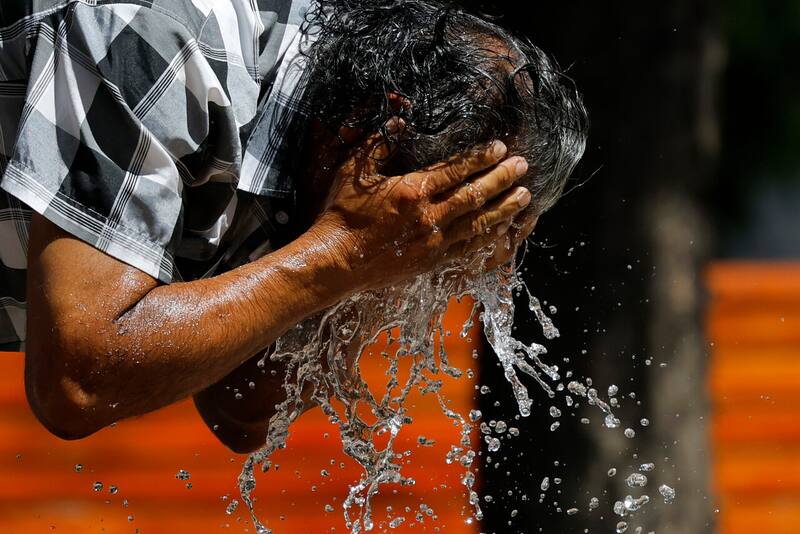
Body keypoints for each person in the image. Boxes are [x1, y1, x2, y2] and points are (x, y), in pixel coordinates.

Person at [0, 0, 587, 452]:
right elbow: (79, 381)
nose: (442, 264)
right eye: (446, 222)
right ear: (364, 136)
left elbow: (243, 411)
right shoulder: (157, 35)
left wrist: (375, 272)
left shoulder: (322, 138)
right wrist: (345, 255)